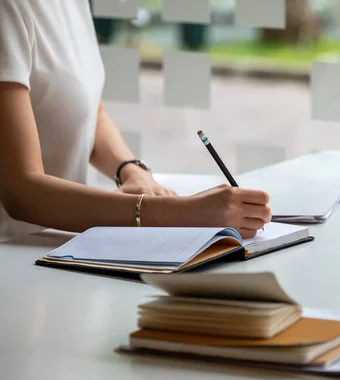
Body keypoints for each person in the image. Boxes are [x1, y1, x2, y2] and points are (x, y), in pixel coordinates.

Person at [0, 0, 271, 240]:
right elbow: (20, 190)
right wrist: (182, 213)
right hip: (11, 256)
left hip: (51, 247)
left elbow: (88, 111)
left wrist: (132, 171)